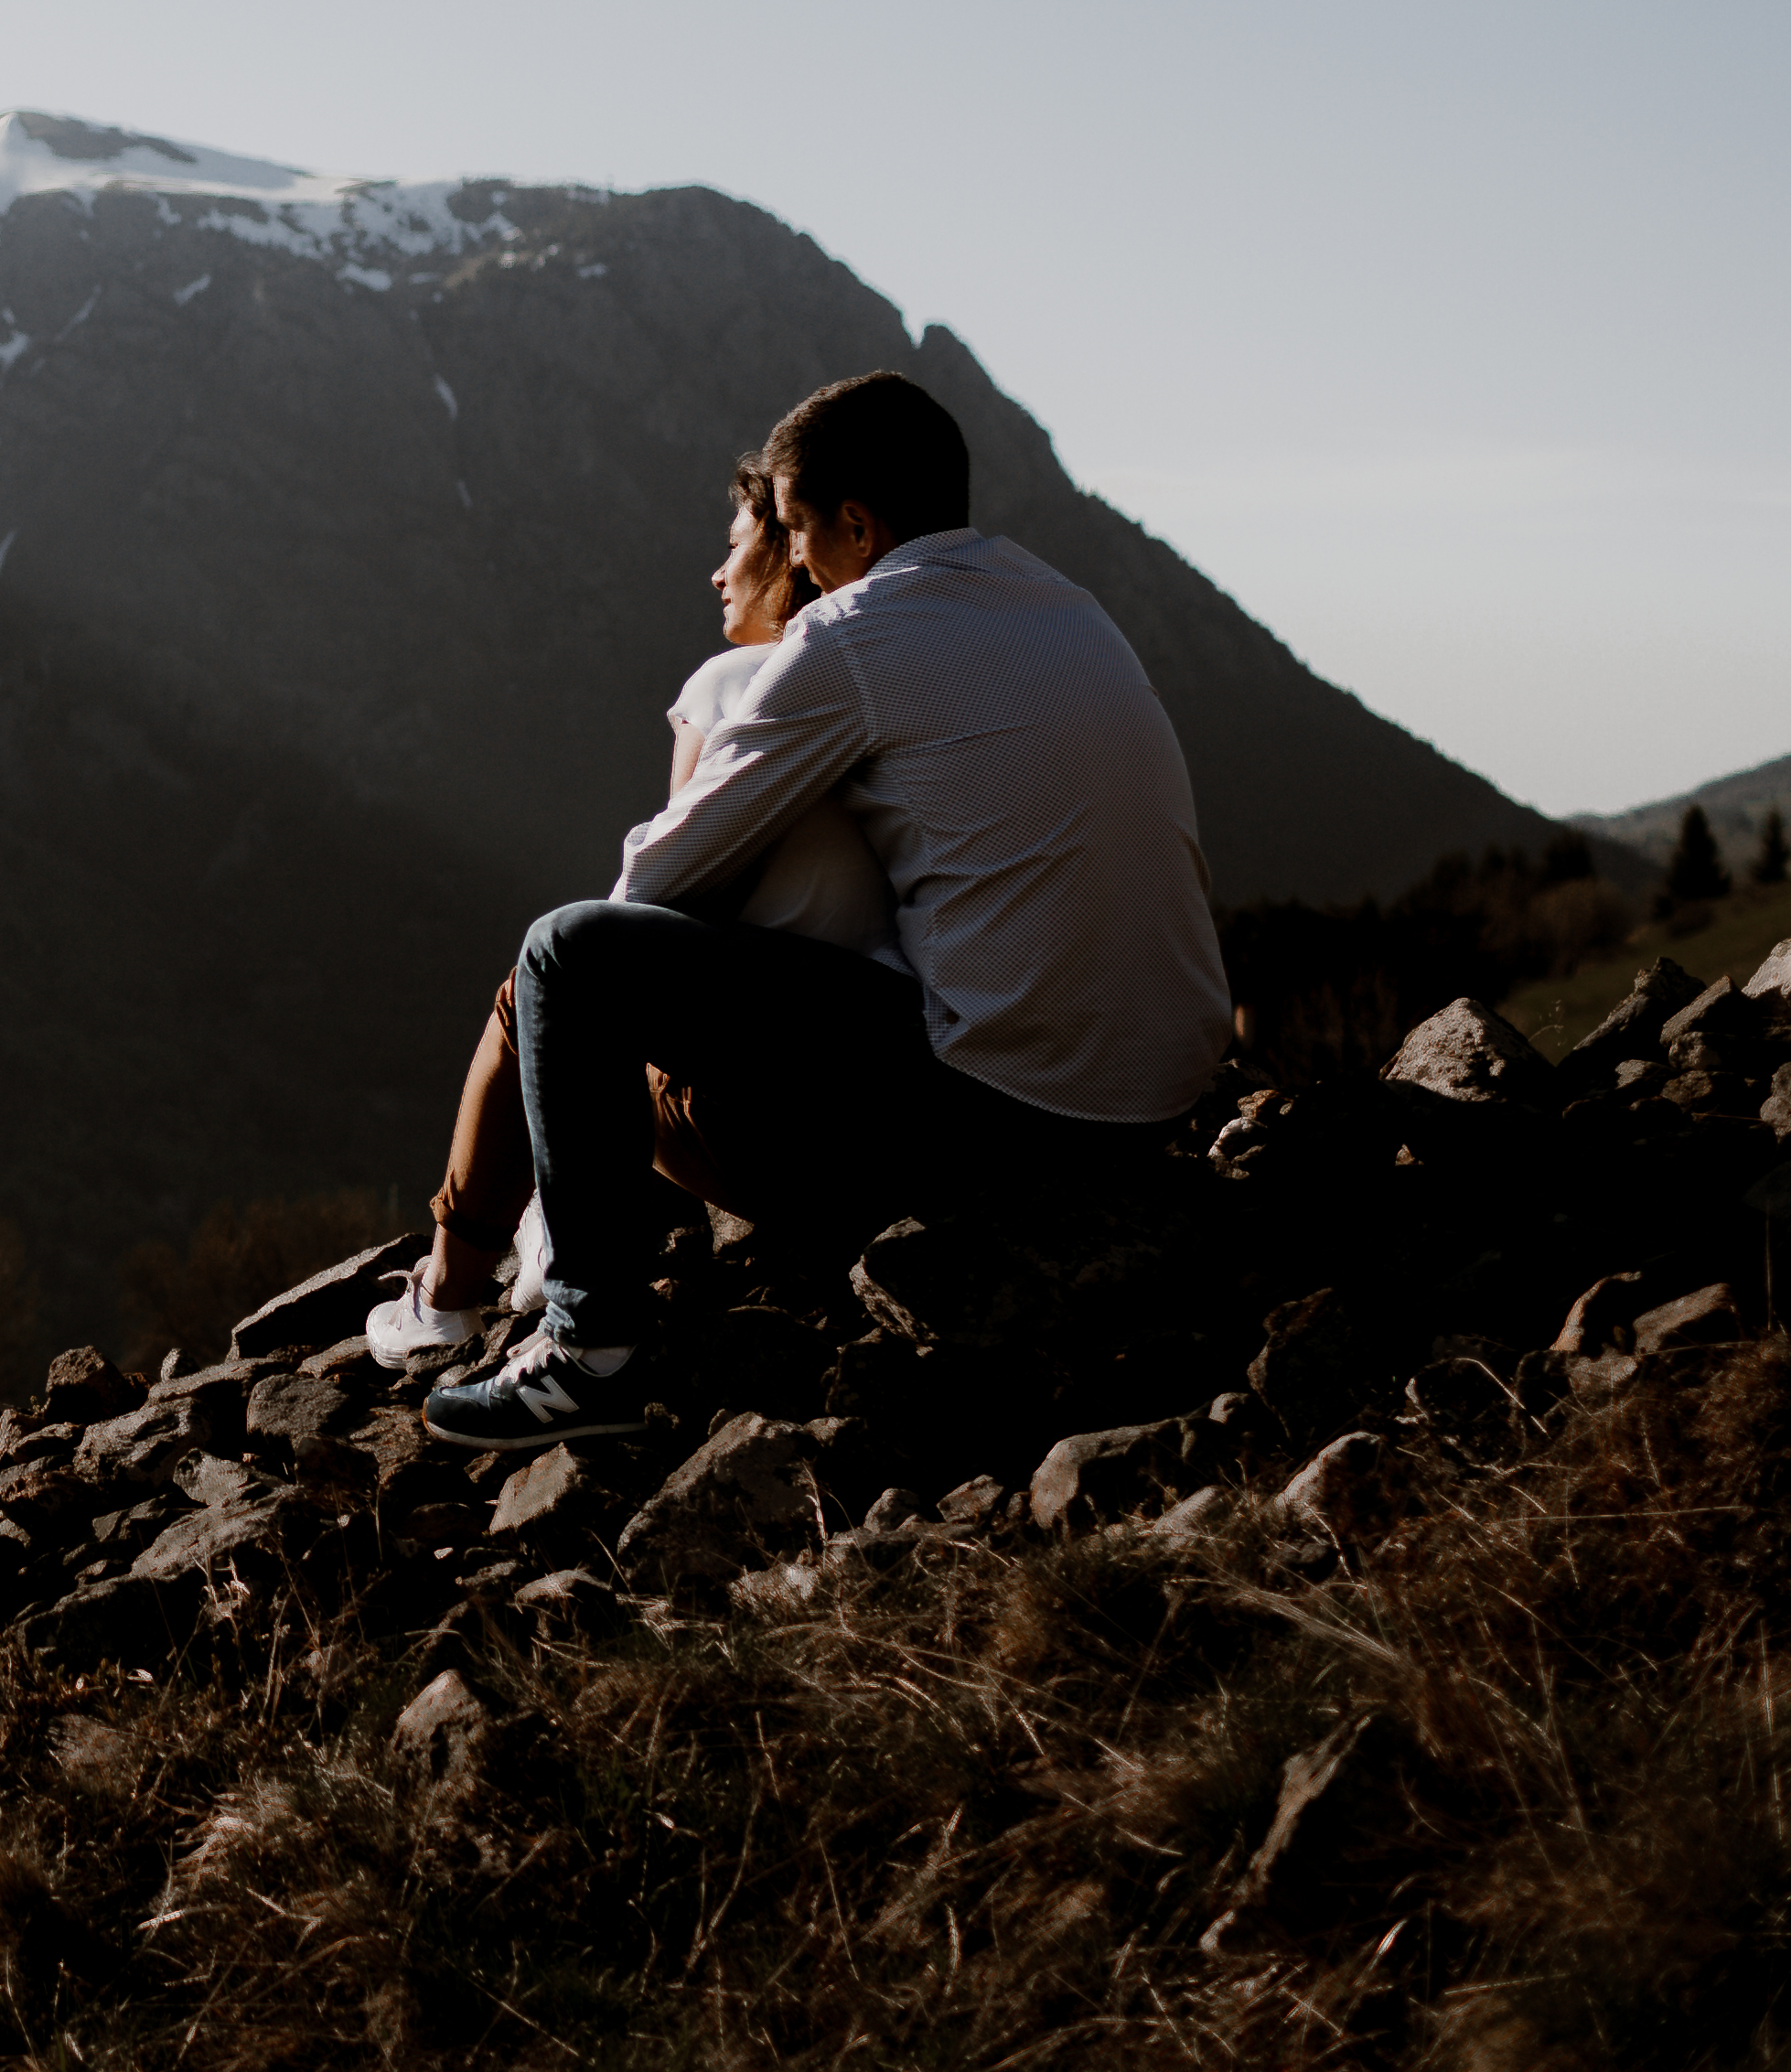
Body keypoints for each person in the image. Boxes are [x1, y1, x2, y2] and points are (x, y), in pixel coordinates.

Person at [419, 367, 1236, 1451]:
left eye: (797, 529)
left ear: (855, 523)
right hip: (1164, 1095)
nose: (794, 560)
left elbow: (662, 880)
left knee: (567, 954)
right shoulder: (1067, 606)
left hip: (1010, 1120)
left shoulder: (853, 632)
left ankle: (587, 1351)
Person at [364, 455, 890, 1367]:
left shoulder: (735, 683)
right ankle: (542, 1227)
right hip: (889, 1097)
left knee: (536, 990)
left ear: (796, 563)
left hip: (767, 1130)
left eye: (739, 551)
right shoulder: (882, 690)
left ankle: (447, 1296)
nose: (719, 575)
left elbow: (660, 892)